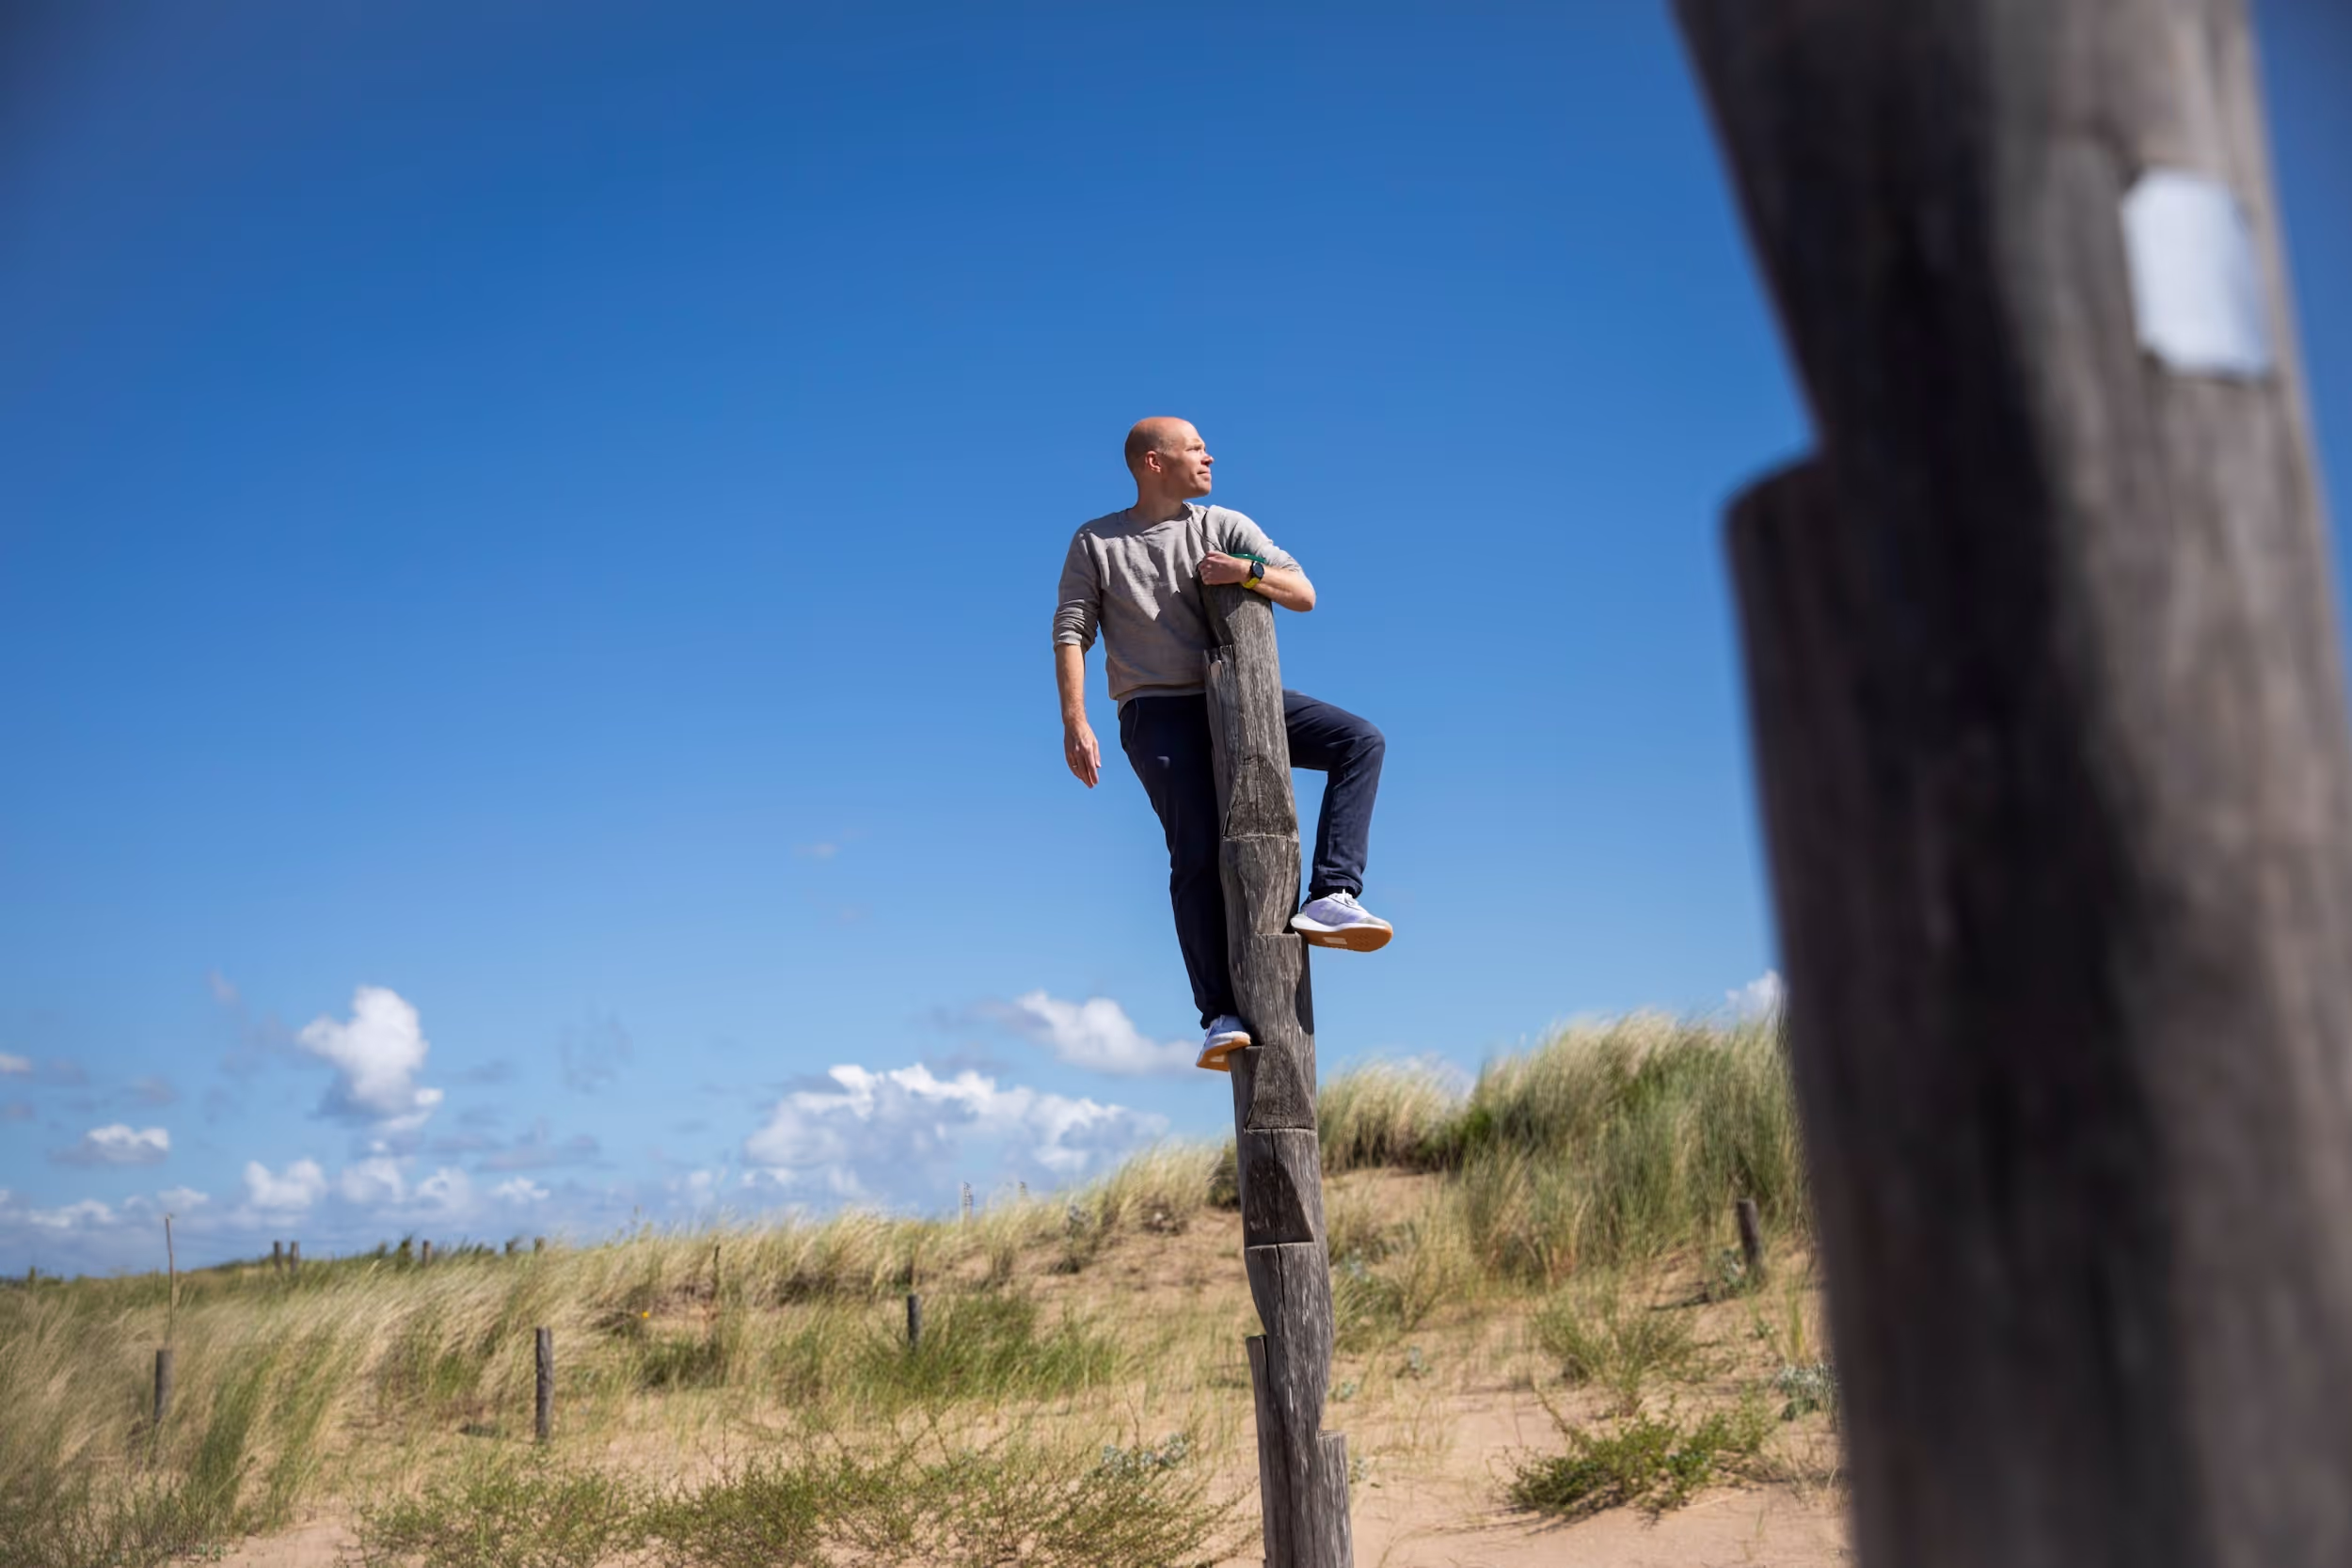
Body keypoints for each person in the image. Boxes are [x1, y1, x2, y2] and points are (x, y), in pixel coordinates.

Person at [1053, 417, 1392, 1072]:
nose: (1210, 456)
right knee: (1198, 850)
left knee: (1360, 740)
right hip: (1157, 710)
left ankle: (1332, 893)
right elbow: (1073, 628)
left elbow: (1303, 592)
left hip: (1243, 696)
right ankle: (1218, 1013)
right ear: (1154, 462)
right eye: (1195, 448)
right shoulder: (1097, 540)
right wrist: (1077, 719)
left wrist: (1247, 570)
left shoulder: (1223, 524)